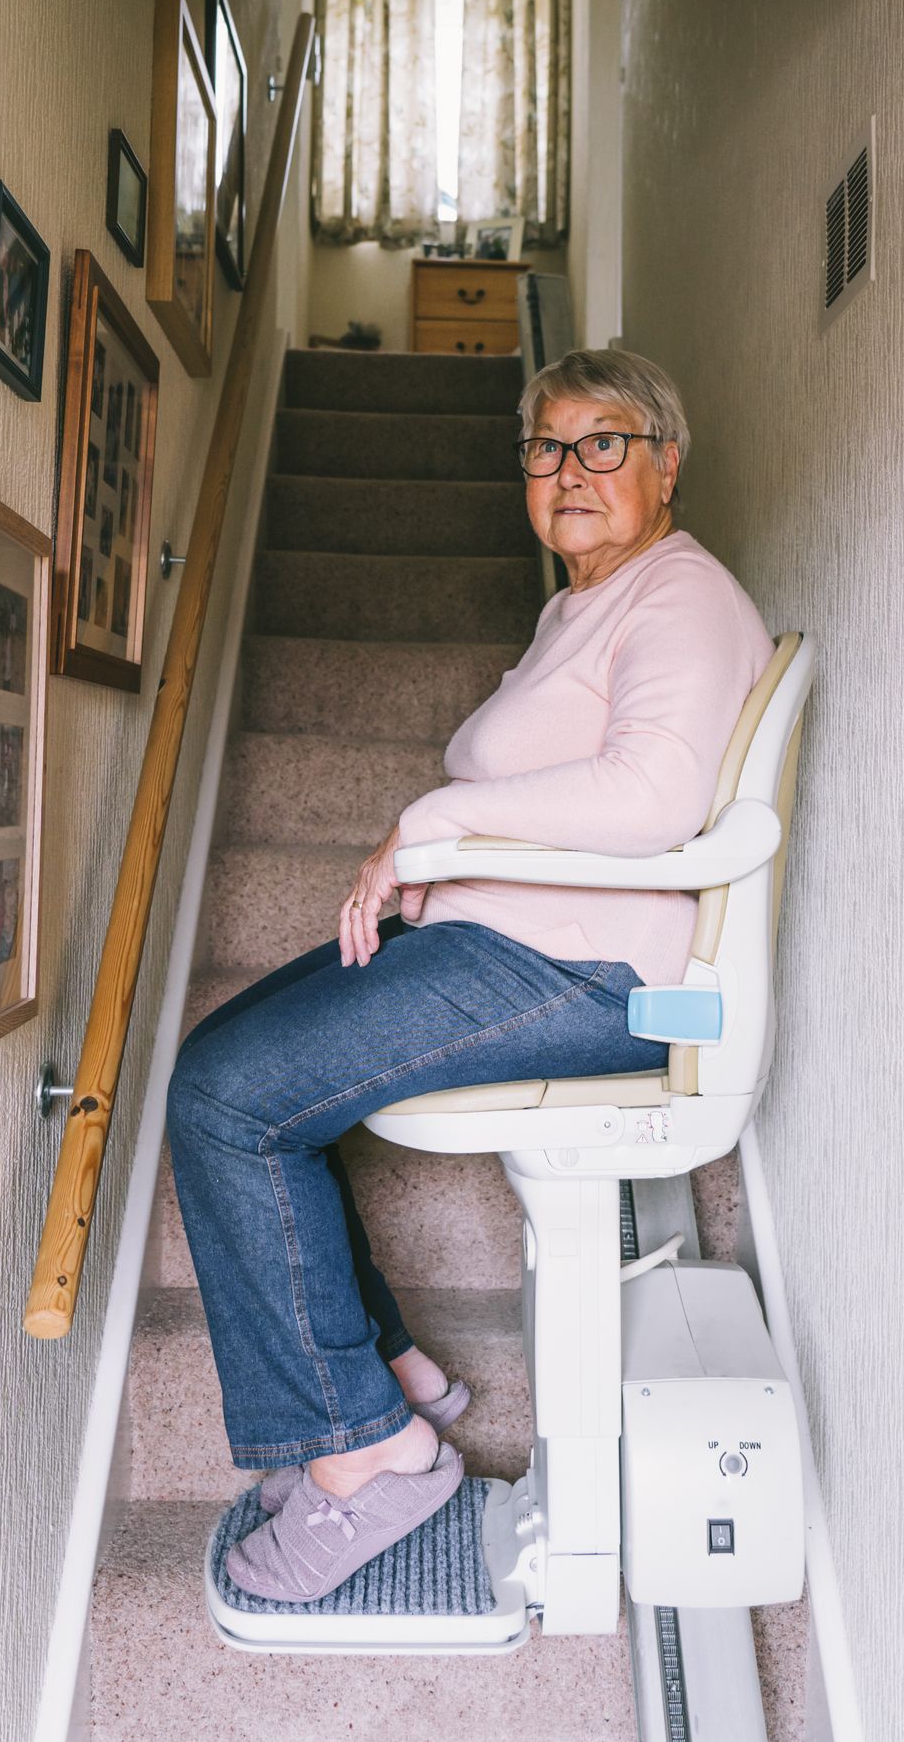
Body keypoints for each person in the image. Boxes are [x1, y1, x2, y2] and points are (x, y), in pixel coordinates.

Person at [167, 348, 774, 1603]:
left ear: (666, 461)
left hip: (580, 968)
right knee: (226, 1073)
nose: (570, 471)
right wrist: (434, 856)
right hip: (509, 945)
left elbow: (655, 796)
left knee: (232, 1105)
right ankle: (378, 1372)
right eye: (546, 448)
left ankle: (368, 1460)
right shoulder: (582, 605)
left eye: (603, 442)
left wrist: (427, 826)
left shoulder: (681, 599)